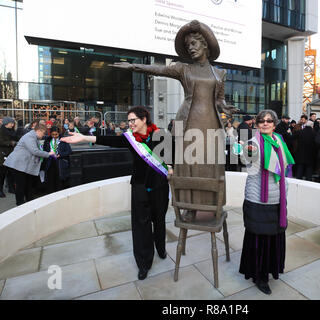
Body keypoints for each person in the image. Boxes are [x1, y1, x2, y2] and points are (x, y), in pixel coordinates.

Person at [110, 20, 236, 214]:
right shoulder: (183, 69)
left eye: (194, 44)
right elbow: (158, 69)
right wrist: (133, 67)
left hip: (211, 121)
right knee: (187, 163)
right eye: (188, 46)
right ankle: (189, 203)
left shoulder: (220, 73)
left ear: (205, 45)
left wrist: (225, 107)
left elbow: (219, 100)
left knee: (210, 162)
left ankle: (212, 202)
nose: (191, 48)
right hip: (187, 121)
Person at [62, 106, 172, 280]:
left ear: (144, 119)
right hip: (139, 187)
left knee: (159, 220)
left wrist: (171, 167)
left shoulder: (161, 135)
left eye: (133, 120)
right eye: (128, 121)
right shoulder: (130, 139)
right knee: (141, 226)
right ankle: (143, 263)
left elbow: (170, 155)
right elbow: (109, 140)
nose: (130, 124)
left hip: (159, 186)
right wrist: (84, 137)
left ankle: (161, 248)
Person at [238, 109, 294, 295]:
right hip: (258, 199)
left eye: (269, 121)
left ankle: (270, 269)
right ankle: (259, 276)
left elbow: (284, 166)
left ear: (274, 124)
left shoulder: (279, 140)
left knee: (272, 237)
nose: (265, 123)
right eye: (262, 120)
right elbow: (248, 162)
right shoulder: (253, 142)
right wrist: (246, 152)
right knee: (259, 238)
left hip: (276, 197)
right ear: (257, 123)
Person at [4, 124, 55, 205]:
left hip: (22, 165)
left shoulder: (33, 137)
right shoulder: (30, 137)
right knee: (21, 184)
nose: (44, 135)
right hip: (18, 164)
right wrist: (48, 154)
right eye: (43, 133)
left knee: (28, 183)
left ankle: (29, 200)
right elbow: (34, 151)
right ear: (39, 131)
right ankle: (20, 203)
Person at [41, 127, 72, 193]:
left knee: (59, 178)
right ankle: (50, 193)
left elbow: (69, 151)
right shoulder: (47, 141)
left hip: (60, 162)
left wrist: (60, 154)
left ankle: (59, 192)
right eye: (53, 134)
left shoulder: (63, 140)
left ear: (59, 133)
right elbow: (44, 151)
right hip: (50, 162)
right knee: (50, 178)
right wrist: (48, 154)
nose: (54, 136)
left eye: (56, 134)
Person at [0, 117, 18, 197]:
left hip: (11, 154)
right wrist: (10, 143)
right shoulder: (1, 131)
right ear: (6, 123)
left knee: (11, 172)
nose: (13, 124)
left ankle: (11, 188)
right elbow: (1, 141)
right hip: (3, 154)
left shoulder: (12, 131)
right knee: (2, 173)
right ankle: (0, 190)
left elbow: (16, 138)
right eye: (11, 123)